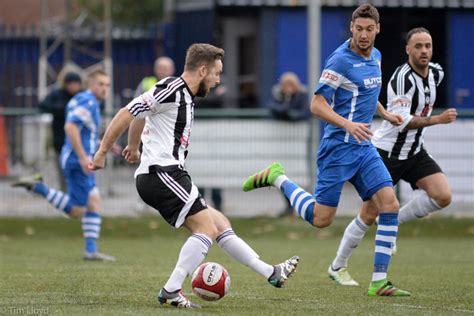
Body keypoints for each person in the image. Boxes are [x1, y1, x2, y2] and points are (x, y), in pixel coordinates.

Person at [91, 43, 299, 308]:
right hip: (161, 173)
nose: (217, 80)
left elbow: (142, 115)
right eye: (216, 73)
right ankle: (172, 289)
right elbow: (127, 111)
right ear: (202, 70)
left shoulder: (184, 96)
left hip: (167, 174)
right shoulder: (172, 88)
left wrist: (133, 146)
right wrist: (102, 153)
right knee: (206, 229)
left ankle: (271, 272)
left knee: (219, 223)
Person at [242, 4, 411, 296]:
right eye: (358, 29)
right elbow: (317, 104)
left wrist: (383, 113)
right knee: (322, 219)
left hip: (363, 147)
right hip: (338, 147)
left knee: (389, 204)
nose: (363, 35)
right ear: (351, 27)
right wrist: (348, 124)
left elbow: (368, 92)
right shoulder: (340, 60)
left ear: (377, 29)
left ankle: (379, 281)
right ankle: (277, 177)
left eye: (369, 29)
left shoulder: (377, 57)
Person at [328, 27, 457, 286]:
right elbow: (403, 122)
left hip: (415, 151)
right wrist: (437, 120)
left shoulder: (437, 73)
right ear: (408, 49)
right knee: (368, 214)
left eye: (428, 46)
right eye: (418, 46)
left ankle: (394, 222)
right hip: (386, 151)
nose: (424, 51)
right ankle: (337, 266)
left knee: (443, 195)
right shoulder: (401, 78)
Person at [12, 70, 115, 262]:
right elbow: (71, 127)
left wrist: (106, 145)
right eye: (101, 84)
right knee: (77, 210)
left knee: (94, 202)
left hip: (80, 157)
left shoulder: (84, 99)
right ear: (90, 84)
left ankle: (91, 251)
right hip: (78, 160)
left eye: (107, 85)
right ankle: (39, 187)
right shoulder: (89, 101)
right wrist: (84, 157)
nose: (104, 88)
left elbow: (84, 130)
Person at [39, 72, 82, 190]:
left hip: (80, 144)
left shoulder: (83, 97)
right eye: (70, 84)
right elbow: (43, 105)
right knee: (63, 173)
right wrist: (62, 109)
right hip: (60, 142)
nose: (73, 87)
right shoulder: (57, 95)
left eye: (76, 84)